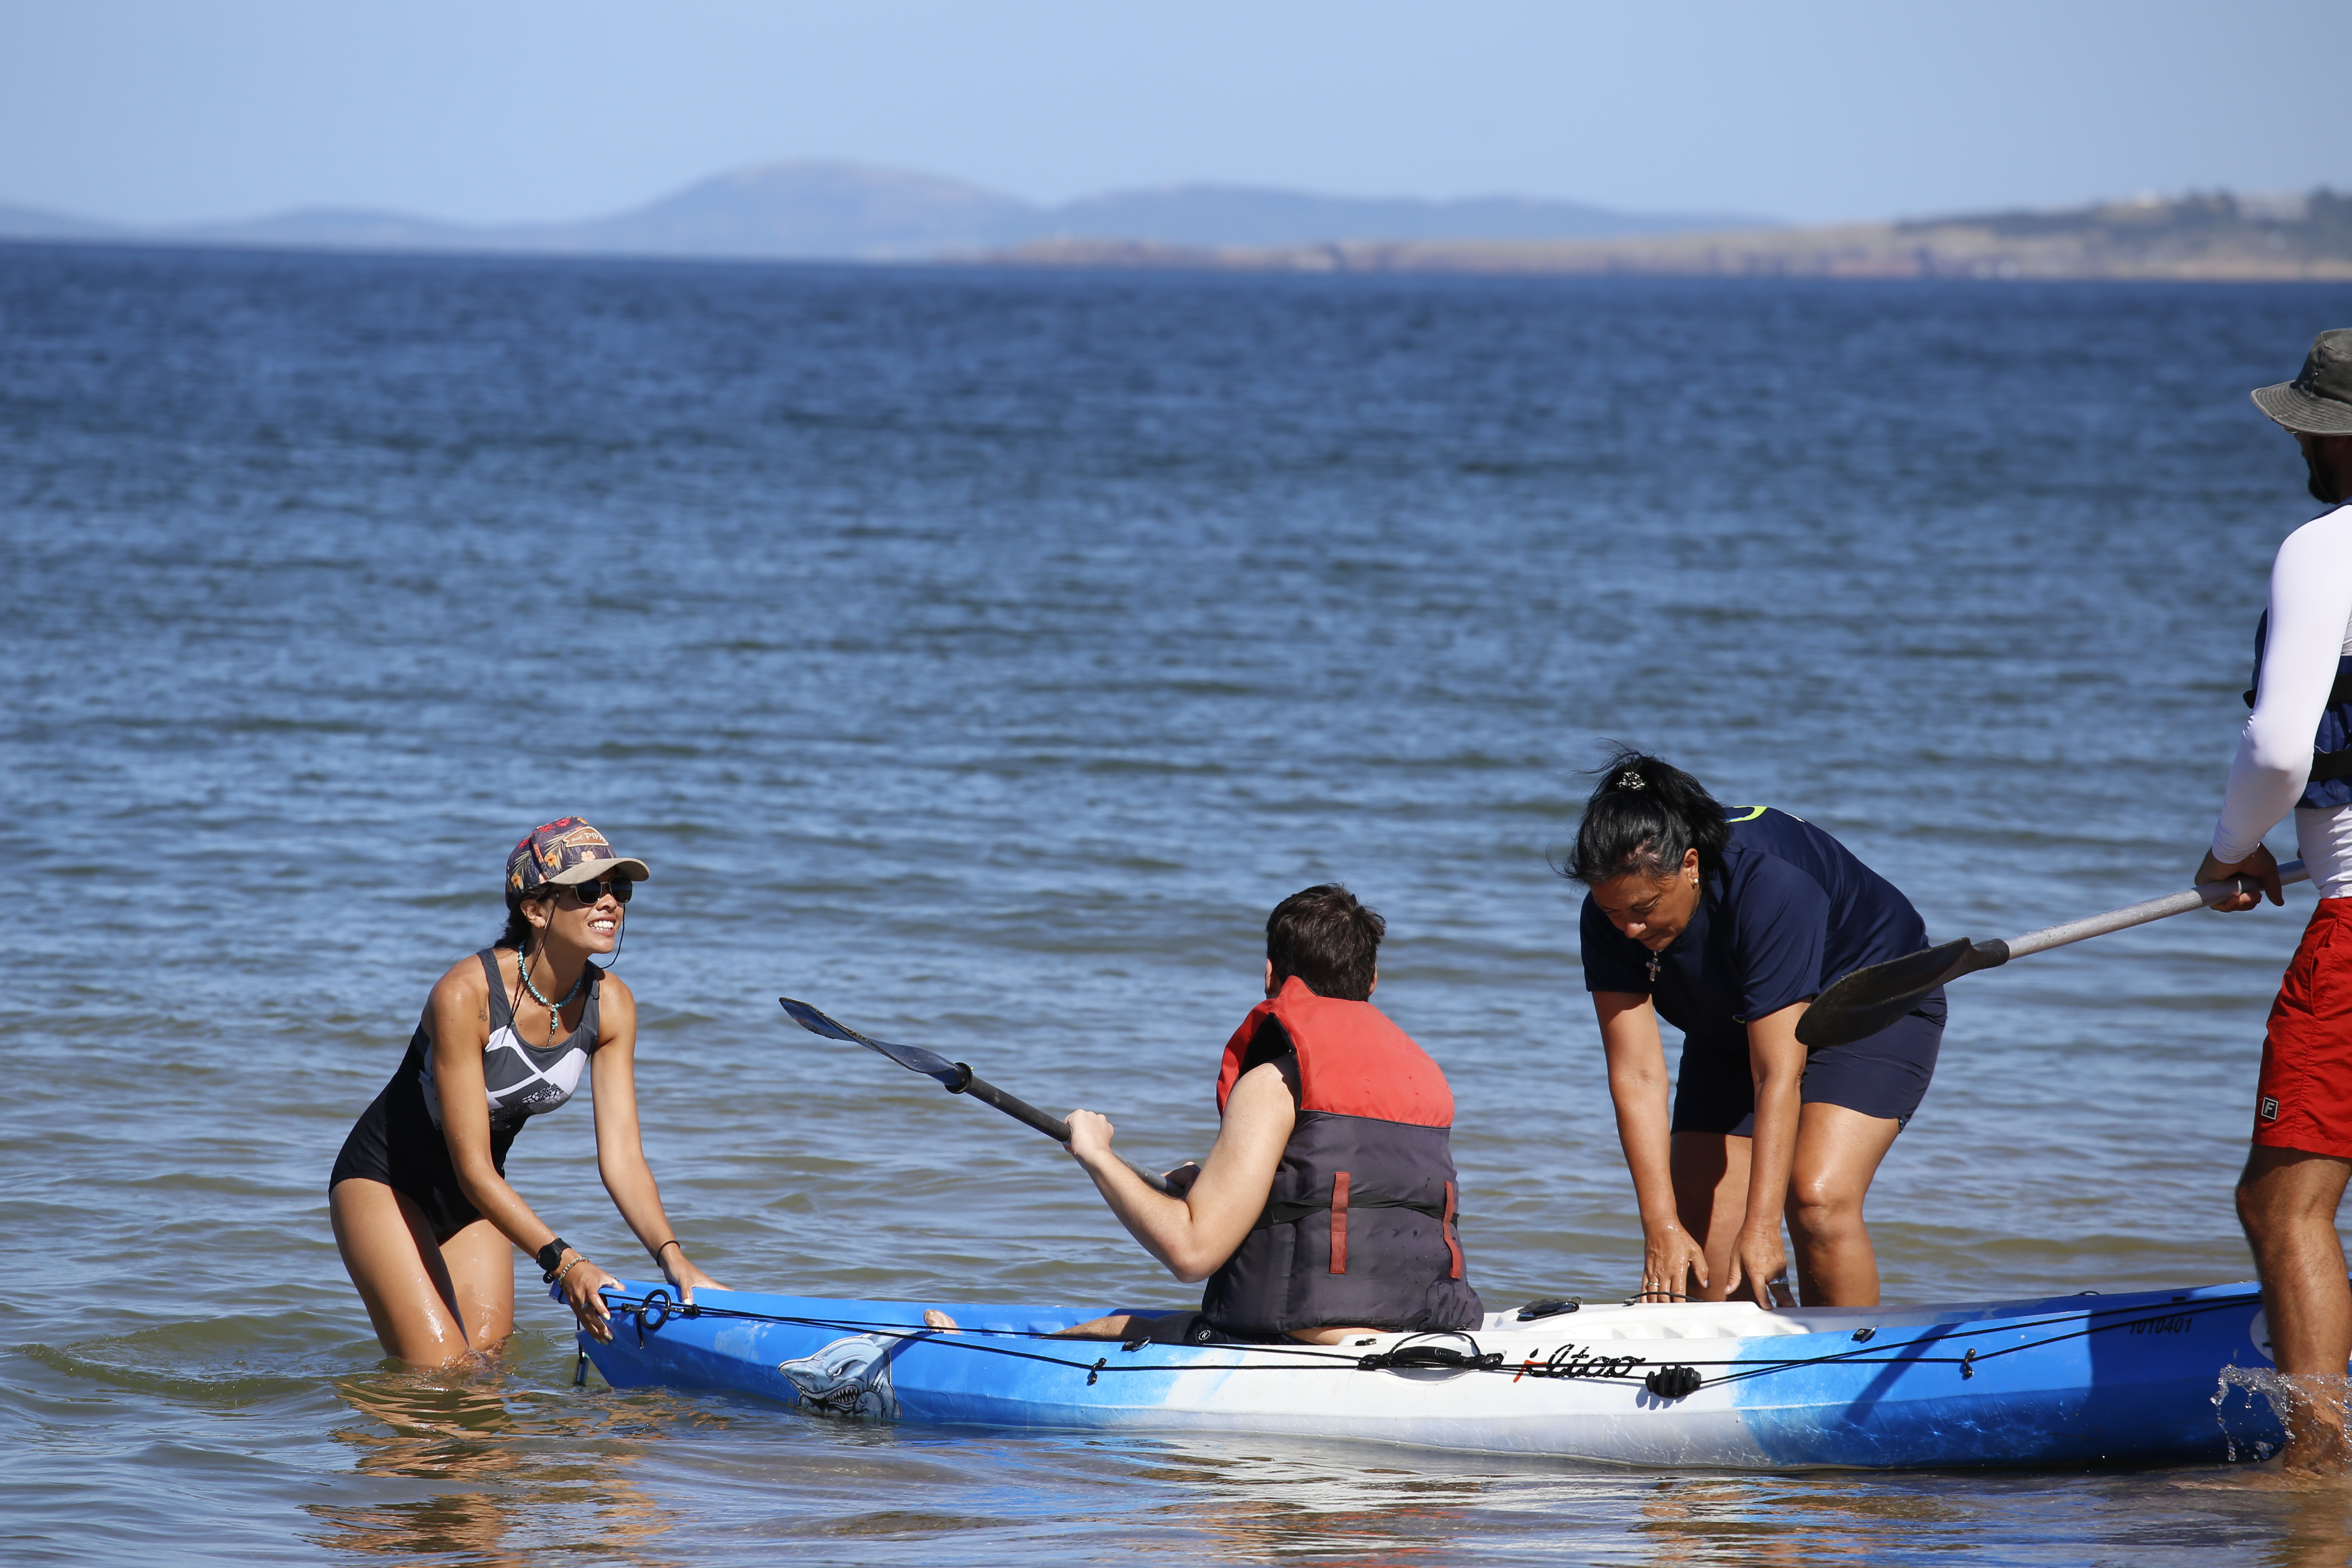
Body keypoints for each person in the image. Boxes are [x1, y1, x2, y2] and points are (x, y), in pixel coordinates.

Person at [933, 884, 1482, 1346]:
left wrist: (1096, 1156)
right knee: (1125, 1322)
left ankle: (979, 1351)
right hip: (1424, 1328)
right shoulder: (1422, 1077)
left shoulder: (1273, 1083)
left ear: (1272, 975)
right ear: (1372, 982)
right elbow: (1348, 1203)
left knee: (1119, 1326)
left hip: (1306, 1341)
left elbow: (1192, 1253)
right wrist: (1211, 1192)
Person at [328, 817, 721, 1366]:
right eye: (588, 890)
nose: (609, 903)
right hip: (385, 1182)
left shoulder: (614, 1006)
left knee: (488, 1373)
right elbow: (473, 1167)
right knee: (441, 1373)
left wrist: (674, 1260)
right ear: (535, 910)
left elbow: (624, 1160)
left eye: (619, 889)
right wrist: (566, 1262)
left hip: (475, 1199)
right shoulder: (467, 995)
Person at [1567, 752, 1942, 1310]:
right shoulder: (1611, 917)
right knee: (1698, 1237)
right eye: (1613, 914)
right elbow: (1639, 1075)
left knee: (1815, 1201)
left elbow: (1776, 1074)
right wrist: (1660, 1224)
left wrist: (1764, 1226)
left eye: (1643, 909)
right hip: (1734, 1022)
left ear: (1690, 864)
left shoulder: (1771, 885)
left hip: (1867, 1007)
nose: (1629, 929)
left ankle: (1844, 1359)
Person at [2196, 327, 2352, 1473]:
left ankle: (2319, 1470)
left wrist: (2230, 848)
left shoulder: (2326, 549)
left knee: (2284, 1205)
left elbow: (2282, 745)